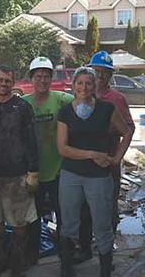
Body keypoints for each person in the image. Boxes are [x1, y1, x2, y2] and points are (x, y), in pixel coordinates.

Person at [56, 67, 131, 277]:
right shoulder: (65, 112)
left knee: (102, 224)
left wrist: (117, 158)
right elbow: (62, 148)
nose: (84, 87)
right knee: (69, 223)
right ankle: (66, 268)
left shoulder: (106, 109)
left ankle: (105, 270)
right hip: (71, 174)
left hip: (99, 177)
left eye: (88, 83)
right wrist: (91, 154)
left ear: (94, 85)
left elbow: (127, 132)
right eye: (79, 83)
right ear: (73, 86)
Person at [74, 51, 136, 263]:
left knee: (107, 208)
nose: (99, 76)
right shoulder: (80, 94)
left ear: (110, 75)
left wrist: (118, 157)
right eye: (96, 71)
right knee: (84, 208)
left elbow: (129, 128)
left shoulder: (117, 99)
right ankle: (84, 249)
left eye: (104, 72)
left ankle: (106, 253)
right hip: (84, 163)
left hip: (108, 164)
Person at [0, 65, 39, 276]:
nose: (3, 84)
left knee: (19, 223)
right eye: (0, 80)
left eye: (7, 80)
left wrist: (33, 171)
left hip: (18, 175)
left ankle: (18, 262)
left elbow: (32, 140)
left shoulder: (23, 107)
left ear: (13, 82)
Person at [22, 57, 74, 263]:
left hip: (58, 171)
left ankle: (66, 257)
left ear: (51, 79)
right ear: (32, 79)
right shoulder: (23, 103)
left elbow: (84, 100)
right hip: (33, 172)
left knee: (64, 216)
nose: (42, 80)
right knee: (32, 216)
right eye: (38, 76)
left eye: (46, 76)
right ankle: (32, 254)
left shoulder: (62, 100)